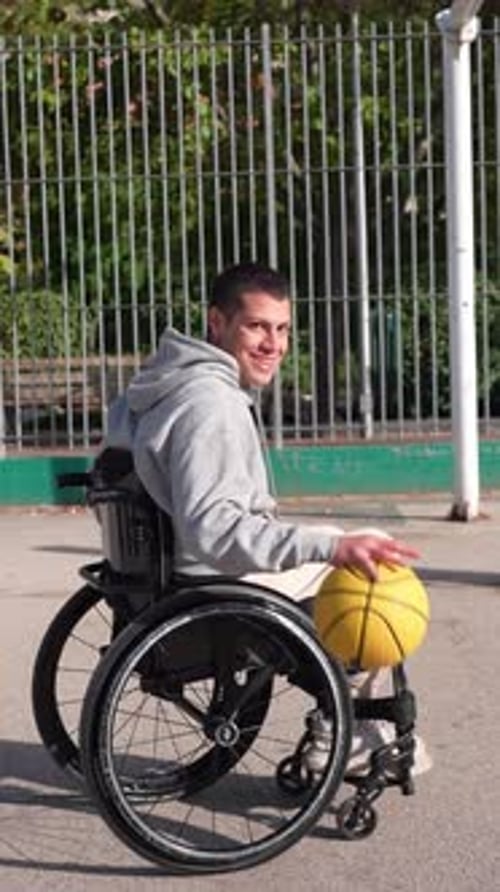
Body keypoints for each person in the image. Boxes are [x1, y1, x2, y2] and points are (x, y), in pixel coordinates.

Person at [104, 260, 431, 774]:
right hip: (216, 582)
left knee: (356, 540)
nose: (272, 344)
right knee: (376, 565)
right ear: (217, 322)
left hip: (172, 576)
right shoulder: (211, 404)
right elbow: (214, 529)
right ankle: (351, 732)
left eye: (281, 329)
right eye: (256, 326)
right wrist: (329, 549)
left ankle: (352, 712)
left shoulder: (159, 386)